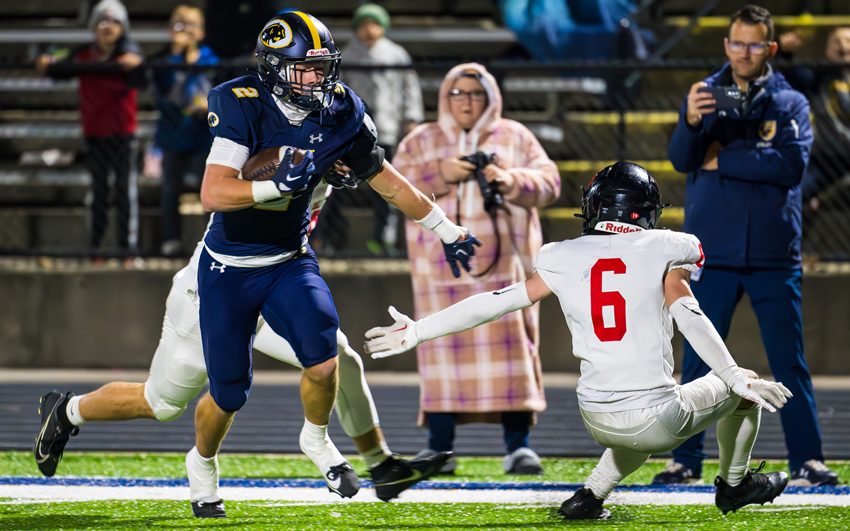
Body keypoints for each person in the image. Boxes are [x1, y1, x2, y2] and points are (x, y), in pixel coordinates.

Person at [364, 161, 794, 519]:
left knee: (638, 425)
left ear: (595, 207)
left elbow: (495, 302)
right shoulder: (670, 246)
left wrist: (419, 330)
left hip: (595, 415)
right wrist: (734, 374)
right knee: (741, 394)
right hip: (653, 419)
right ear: (646, 211)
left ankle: (589, 497)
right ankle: (735, 487)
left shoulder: (561, 255)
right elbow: (687, 311)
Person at [193, 9, 480, 515]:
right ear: (274, 67)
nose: (319, 78)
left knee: (326, 360)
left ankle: (317, 438)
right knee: (229, 392)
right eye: (305, 67)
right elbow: (213, 194)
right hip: (227, 266)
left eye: (323, 66)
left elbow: (389, 182)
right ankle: (203, 462)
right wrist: (271, 184)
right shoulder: (242, 103)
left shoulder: (340, 109)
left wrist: (446, 229)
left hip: (287, 259)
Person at [32, 180, 448, 518]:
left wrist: (444, 223)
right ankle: (68, 410)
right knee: (162, 402)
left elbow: (388, 180)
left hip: (271, 286)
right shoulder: (264, 142)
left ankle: (381, 465)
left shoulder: (330, 139)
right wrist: (280, 174)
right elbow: (219, 188)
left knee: (338, 357)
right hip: (214, 289)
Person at [658, 5, 838, 487]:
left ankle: (807, 458)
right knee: (697, 362)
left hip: (773, 258)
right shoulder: (705, 95)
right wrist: (693, 124)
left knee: (788, 363)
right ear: (726, 45)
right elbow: (681, 160)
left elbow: (791, 168)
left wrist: (722, 159)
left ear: (771, 48)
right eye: (736, 43)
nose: (744, 52)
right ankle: (685, 460)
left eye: (754, 44)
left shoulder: (790, 100)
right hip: (710, 254)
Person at [392, 63, 560, 474]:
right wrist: (439, 174)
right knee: (439, 348)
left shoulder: (516, 136)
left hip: (508, 269)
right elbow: (393, 187)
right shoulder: (421, 140)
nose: (466, 102)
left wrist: (511, 180)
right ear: (445, 96)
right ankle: (439, 449)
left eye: (475, 94)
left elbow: (551, 183)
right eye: (458, 93)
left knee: (514, 354)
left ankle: (518, 447)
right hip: (439, 273)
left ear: (490, 99)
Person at [35, 0, 143, 256]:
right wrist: (46, 61)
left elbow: (143, 78)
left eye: (115, 22)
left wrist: (135, 65)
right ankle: (96, 249)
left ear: (123, 27)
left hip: (123, 136)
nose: (107, 27)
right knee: (98, 193)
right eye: (101, 22)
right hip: (94, 135)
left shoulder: (129, 53)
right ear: (93, 26)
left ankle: (127, 250)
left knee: (124, 193)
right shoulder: (84, 54)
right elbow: (58, 68)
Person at [340, 3, 424, 255]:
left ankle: (383, 239)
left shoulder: (396, 54)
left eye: (374, 24)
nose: (369, 30)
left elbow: (410, 89)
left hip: (386, 127)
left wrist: (411, 118)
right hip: (352, 131)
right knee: (339, 184)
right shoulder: (347, 55)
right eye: (364, 24)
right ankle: (335, 239)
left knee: (386, 187)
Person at [150, 5, 220, 257]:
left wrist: (207, 105)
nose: (184, 29)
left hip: (202, 137)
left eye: (190, 24)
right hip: (172, 135)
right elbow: (161, 91)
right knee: (171, 190)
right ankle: (170, 239)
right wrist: (177, 56)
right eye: (179, 23)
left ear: (200, 32)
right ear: (170, 29)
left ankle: (212, 243)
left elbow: (220, 93)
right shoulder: (161, 61)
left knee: (209, 191)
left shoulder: (211, 60)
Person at [777, 26, 850, 211]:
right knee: (787, 199)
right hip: (826, 158)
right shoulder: (818, 77)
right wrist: (785, 55)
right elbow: (790, 79)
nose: (843, 45)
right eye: (836, 41)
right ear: (827, 51)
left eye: (848, 41)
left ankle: (822, 200)